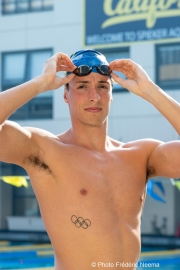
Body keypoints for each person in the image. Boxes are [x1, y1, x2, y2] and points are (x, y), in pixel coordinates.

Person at [0, 49, 180, 270]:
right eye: (82, 86)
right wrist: (41, 84)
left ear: (112, 94)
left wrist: (150, 90)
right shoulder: (45, 151)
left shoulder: (140, 155)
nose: (94, 96)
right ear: (66, 95)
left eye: (103, 86)